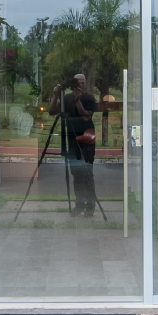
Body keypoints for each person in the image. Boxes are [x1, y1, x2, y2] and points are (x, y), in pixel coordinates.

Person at [56, 73, 98, 216]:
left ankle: (90, 205)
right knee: (76, 174)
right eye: (78, 82)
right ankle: (79, 204)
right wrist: (56, 96)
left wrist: (78, 100)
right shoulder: (67, 98)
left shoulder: (89, 98)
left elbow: (86, 117)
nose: (80, 85)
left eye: (83, 82)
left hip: (87, 138)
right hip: (72, 138)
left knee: (87, 172)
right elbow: (53, 112)